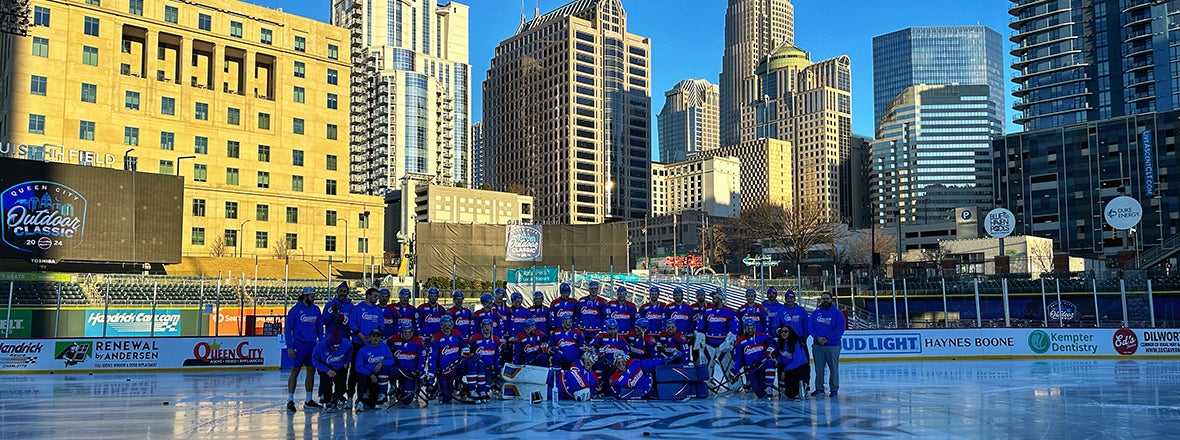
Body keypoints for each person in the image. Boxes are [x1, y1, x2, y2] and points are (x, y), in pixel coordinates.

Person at [285, 286, 322, 411]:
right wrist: (289, 347)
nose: (314, 298)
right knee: (294, 371)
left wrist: (321, 344)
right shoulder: (295, 310)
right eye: (311, 296)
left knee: (311, 371)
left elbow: (319, 329)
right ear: (305, 296)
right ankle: (290, 400)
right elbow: (287, 330)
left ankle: (308, 399)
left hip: (312, 345)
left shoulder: (316, 309)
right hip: (299, 345)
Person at [809, 292, 846, 397]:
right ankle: (819, 388)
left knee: (833, 368)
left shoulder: (837, 313)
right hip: (818, 345)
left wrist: (828, 338)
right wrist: (817, 337)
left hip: (833, 345)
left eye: (827, 298)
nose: (825, 300)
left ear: (831, 300)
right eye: (823, 298)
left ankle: (834, 389)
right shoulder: (816, 313)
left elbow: (840, 328)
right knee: (818, 369)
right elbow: (810, 326)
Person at [387, 322, 428, 406]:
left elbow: (422, 358)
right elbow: (385, 351)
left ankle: (400, 391)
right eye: (405, 332)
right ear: (401, 332)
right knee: (387, 369)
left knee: (407, 401)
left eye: (410, 332)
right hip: (398, 370)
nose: (407, 334)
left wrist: (420, 370)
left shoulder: (418, 341)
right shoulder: (393, 339)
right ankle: (393, 386)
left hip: (410, 374)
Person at [732, 318, 774, 399]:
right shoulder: (739, 342)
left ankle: (769, 387)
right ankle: (762, 388)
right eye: (748, 328)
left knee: (770, 363)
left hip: (763, 365)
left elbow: (773, 343)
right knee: (760, 393)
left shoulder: (762, 336)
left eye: (752, 328)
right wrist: (734, 371)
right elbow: (739, 359)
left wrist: (770, 351)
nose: (750, 330)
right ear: (744, 329)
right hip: (751, 369)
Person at [778, 289, 811, 392]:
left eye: (791, 298)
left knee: (804, 362)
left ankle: (806, 383)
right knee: (785, 360)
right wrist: (780, 336)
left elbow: (807, 325)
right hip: (786, 341)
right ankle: (784, 383)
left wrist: (804, 337)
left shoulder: (801, 310)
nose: (789, 300)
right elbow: (776, 325)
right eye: (787, 298)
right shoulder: (781, 311)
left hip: (800, 340)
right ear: (785, 299)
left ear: (794, 299)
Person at [354, 329, 393, 412]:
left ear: (380, 338)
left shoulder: (385, 347)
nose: (375, 339)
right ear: (370, 337)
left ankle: (380, 396)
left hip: (378, 376)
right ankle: (360, 401)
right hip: (367, 376)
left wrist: (381, 362)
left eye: (377, 336)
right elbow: (358, 367)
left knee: (372, 404)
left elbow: (391, 361)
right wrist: (370, 374)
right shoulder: (363, 350)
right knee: (361, 377)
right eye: (373, 336)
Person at [312, 331, 352, 411]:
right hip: (326, 367)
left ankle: (336, 397)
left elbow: (350, 350)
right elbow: (314, 360)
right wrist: (326, 370)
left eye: (338, 347)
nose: (336, 349)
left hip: (340, 367)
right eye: (334, 347)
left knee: (342, 388)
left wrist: (347, 362)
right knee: (326, 384)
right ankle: (328, 401)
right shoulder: (320, 346)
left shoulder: (346, 343)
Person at [430, 315, 465, 404]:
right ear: (440, 325)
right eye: (444, 325)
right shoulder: (436, 337)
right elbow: (433, 357)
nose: (447, 327)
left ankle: (461, 385)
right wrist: (432, 372)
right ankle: (439, 389)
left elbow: (463, 346)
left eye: (449, 324)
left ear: (452, 325)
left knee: (469, 364)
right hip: (443, 371)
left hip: (455, 368)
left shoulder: (457, 334)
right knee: (446, 398)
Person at [591, 319, 629, 395]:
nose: (612, 331)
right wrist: (596, 351)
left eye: (614, 329)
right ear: (607, 328)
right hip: (604, 361)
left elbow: (626, 350)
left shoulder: (621, 338)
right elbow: (592, 345)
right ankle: (599, 386)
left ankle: (618, 388)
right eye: (610, 329)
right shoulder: (601, 335)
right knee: (598, 365)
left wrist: (624, 356)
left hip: (616, 363)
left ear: (617, 328)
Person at [773, 325, 809, 401]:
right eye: (782, 332)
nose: (783, 333)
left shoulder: (796, 343)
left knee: (791, 373)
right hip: (788, 365)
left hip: (800, 366)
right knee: (781, 369)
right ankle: (784, 389)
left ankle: (799, 390)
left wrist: (785, 370)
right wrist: (777, 360)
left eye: (786, 331)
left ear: (790, 332)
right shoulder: (780, 343)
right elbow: (781, 356)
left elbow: (797, 361)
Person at [470, 318, 502, 400]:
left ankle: (484, 390)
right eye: (485, 326)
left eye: (489, 326)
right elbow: (469, 352)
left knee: (485, 390)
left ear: (492, 327)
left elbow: (497, 356)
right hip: (477, 368)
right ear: (481, 327)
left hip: (489, 369)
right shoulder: (475, 338)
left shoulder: (496, 340)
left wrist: (496, 368)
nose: (487, 328)